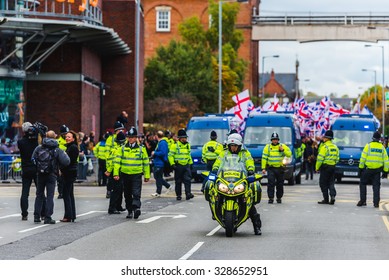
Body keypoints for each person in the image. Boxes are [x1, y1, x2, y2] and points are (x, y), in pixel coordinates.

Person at [211, 133, 262, 235]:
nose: (233, 148)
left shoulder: (245, 153)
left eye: (235, 146)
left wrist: (251, 170)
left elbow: (249, 162)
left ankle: (256, 226)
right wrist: (215, 169)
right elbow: (218, 162)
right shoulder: (224, 153)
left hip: (240, 179)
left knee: (249, 200)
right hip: (226, 178)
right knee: (213, 190)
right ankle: (215, 211)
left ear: (239, 146)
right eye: (231, 146)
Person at [32, 130, 70, 224]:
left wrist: (38, 167)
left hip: (40, 174)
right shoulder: (56, 149)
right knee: (50, 196)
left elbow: (33, 159)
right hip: (52, 174)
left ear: (46, 136)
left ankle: (37, 216)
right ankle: (48, 217)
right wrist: (59, 167)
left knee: (39, 195)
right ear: (54, 137)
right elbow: (66, 161)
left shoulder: (39, 148)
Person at [113, 127, 150, 219]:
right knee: (127, 194)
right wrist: (116, 173)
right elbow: (117, 161)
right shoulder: (122, 149)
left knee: (136, 193)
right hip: (125, 174)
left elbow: (146, 162)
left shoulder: (141, 149)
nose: (130, 139)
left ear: (136, 138)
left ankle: (136, 208)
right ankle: (130, 211)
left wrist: (147, 175)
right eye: (129, 137)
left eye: (132, 137)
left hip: (136, 174)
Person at [17, 122, 45, 221]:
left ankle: (24, 213)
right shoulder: (36, 141)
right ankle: (43, 213)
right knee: (40, 191)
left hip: (26, 168)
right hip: (36, 168)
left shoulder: (20, 142)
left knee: (25, 192)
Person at [357, 131, 389, 208]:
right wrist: (385, 171)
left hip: (368, 169)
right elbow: (386, 160)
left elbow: (363, 158)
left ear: (373, 138)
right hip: (377, 170)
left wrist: (360, 168)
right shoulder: (382, 148)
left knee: (363, 183)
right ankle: (376, 203)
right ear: (379, 139)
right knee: (376, 186)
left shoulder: (368, 146)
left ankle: (363, 201)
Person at [261, 132, 292, 204]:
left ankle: (279, 197)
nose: (275, 141)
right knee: (271, 183)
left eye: (276, 139)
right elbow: (264, 158)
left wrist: (283, 150)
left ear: (278, 140)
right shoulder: (267, 147)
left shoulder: (282, 146)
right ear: (271, 140)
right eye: (273, 139)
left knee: (280, 184)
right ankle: (271, 198)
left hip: (280, 168)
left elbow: (289, 154)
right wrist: (263, 168)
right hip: (271, 168)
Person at [59, 130, 79, 222]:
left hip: (69, 173)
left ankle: (68, 216)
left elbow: (69, 162)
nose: (67, 138)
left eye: (69, 137)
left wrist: (62, 169)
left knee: (66, 194)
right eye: (66, 137)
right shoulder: (70, 147)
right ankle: (72, 215)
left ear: (73, 138)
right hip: (70, 172)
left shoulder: (73, 148)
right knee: (69, 194)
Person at [315, 130, 339, 205]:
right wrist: (333, 163)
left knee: (323, 183)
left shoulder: (324, 147)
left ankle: (326, 199)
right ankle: (332, 196)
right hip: (332, 167)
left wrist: (317, 167)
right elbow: (337, 158)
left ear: (326, 138)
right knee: (331, 182)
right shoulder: (335, 147)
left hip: (325, 167)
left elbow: (320, 159)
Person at [168, 129, 193, 201]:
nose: (185, 139)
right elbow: (170, 155)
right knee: (178, 181)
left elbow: (189, 155)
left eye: (186, 137)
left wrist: (190, 163)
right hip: (178, 165)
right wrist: (172, 164)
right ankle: (178, 195)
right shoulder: (174, 146)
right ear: (180, 138)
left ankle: (188, 193)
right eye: (184, 137)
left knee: (188, 180)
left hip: (186, 165)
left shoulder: (188, 145)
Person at [106, 131, 127, 214]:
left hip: (116, 171)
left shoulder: (115, 149)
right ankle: (112, 208)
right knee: (116, 190)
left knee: (120, 190)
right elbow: (114, 162)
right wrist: (112, 172)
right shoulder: (118, 150)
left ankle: (118, 206)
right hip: (116, 172)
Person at [104, 121, 125, 198]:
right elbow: (107, 151)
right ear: (116, 130)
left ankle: (117, 195)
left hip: (119, 162)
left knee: (119, 182)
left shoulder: (123, 137)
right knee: (111, 180)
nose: (122, 131)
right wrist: (108, 161)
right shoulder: (110, 139)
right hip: (111, 162)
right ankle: (109, 190)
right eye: (120, 129)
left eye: (122, 129)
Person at [151, 130, 172, 197]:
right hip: (157, 162)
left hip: (160, 163)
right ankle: (167, 186)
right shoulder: (161, 142)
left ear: (157, 136)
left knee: (158, 177)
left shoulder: (162, 143)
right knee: (158, 177)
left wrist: (155, 153)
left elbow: (163, 152)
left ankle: (159, 191)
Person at [56, 124, 69, 199]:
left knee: (67, 180)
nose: (66, 135)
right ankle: (60, 193)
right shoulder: (58, 142)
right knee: (60, 180)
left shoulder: (70, 141)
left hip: (68, 162)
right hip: (60, 163)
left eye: (66, 133)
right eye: (64, 134)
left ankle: (66, 192)